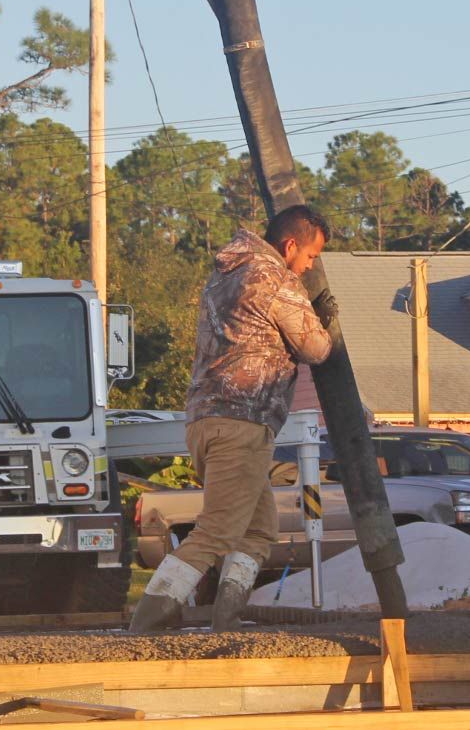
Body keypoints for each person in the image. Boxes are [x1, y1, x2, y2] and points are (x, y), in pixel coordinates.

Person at [130, 204, 335, 633]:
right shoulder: (274, 276)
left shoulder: (224, 273)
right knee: (218, 531)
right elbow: (315, 348)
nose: (310, 266)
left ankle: (228, 617)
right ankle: (146, 620)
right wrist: (325, 320)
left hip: (207, 420)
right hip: (242, 421)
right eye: (311, 256)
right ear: (291, 244)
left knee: (259, 531)